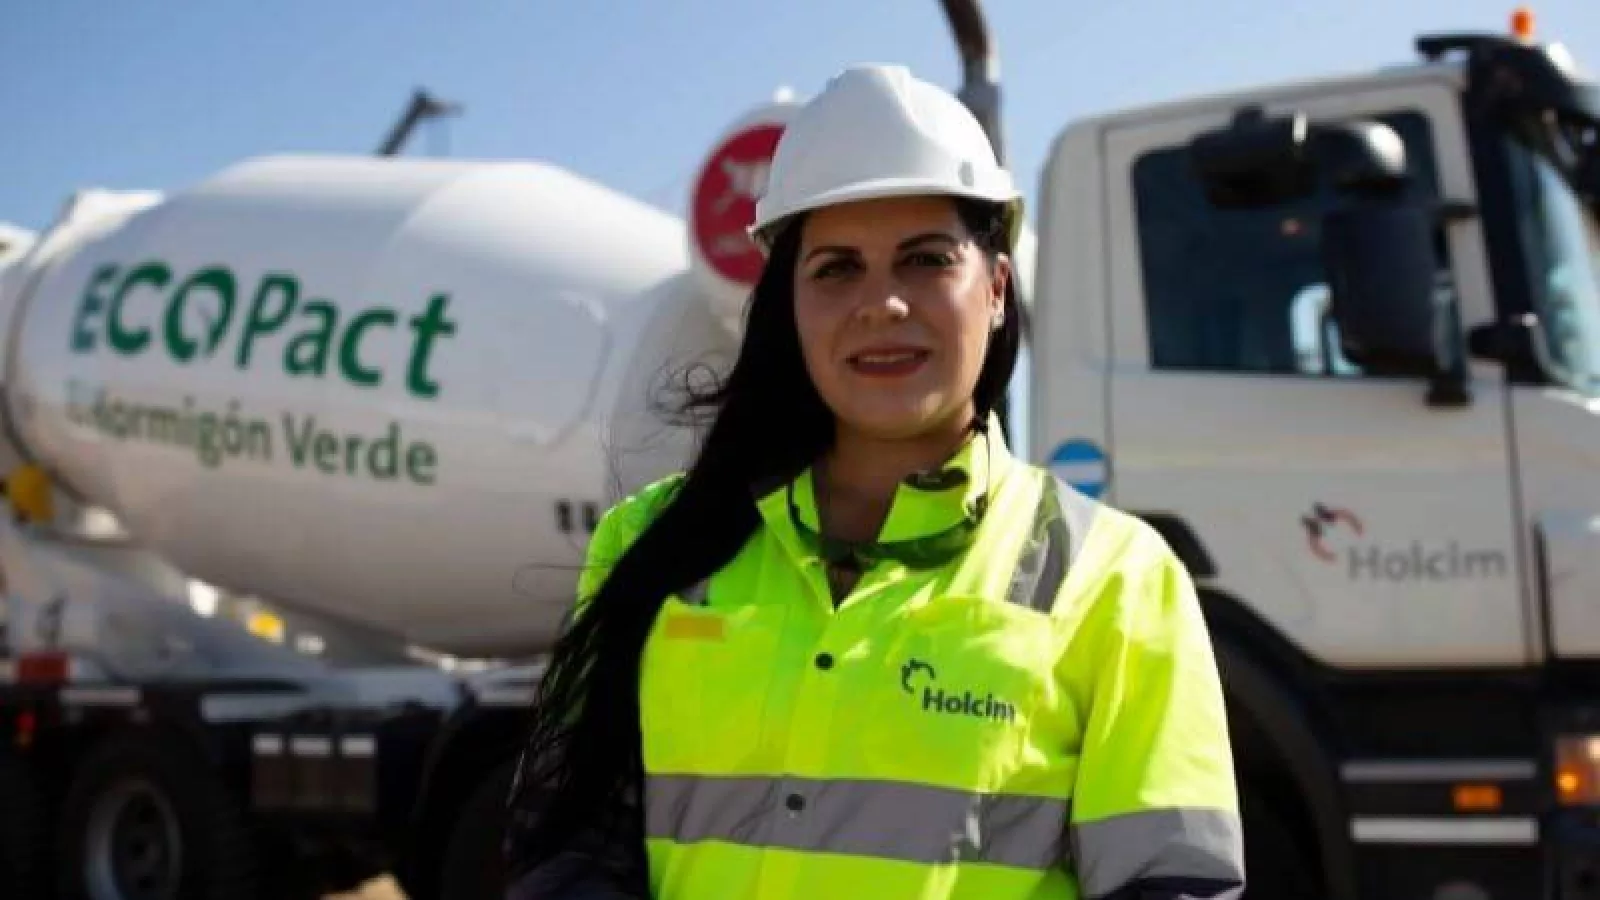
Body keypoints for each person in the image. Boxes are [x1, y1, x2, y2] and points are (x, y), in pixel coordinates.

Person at [504, 63, 1244, 900]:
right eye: (837, 268)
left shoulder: (1118, 579)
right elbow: (569, 849)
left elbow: (1170, 883)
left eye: (925, 260)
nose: (882, 304)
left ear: (997, 289)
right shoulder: (648, 542)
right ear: (789, 304)